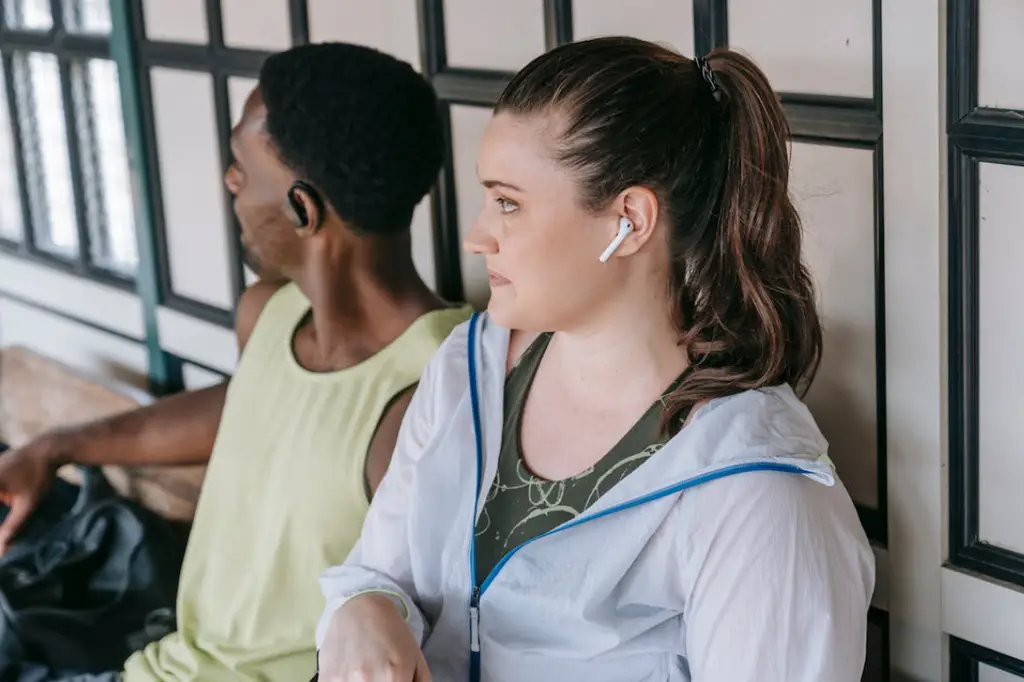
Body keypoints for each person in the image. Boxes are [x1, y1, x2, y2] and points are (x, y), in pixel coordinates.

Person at [314, 37, 876, 682]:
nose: (477, 235)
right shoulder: (467, 366)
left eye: (508, 203)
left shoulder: (763, 499)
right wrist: (364, 609)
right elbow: (377, 573)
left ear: (628, 221)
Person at [0, 42, 472, 681]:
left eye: (241, 168)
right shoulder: (270, 315)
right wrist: (57, 446)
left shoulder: (434, 389)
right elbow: (247, 409)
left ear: (303, 209)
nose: (229, 182)